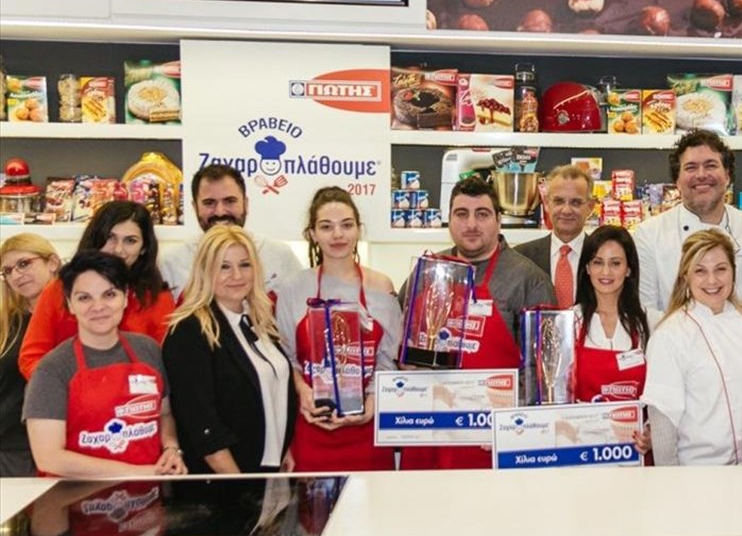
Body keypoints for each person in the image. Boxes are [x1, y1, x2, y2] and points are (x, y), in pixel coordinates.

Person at [398, 175, 555, 470]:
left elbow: (544, 370)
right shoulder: (428, 272)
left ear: (498, 220)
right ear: (449, 220)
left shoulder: (528, 279)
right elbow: (399, 344)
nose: (471, 224)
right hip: (430, 430)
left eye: (482, 214)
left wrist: (512, 415)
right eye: (461, 214)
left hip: (493, 434)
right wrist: (406, 363)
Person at [22, 251, 186, 477]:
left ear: (125, 297)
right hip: (75, 494)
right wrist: (138, 472)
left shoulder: (148, 350)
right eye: (84, 298)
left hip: (148, 491)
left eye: (109, 295)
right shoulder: (52, 369)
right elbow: (49, 458)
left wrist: (170, 447)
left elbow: (164, 414)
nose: (98, 307)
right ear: (70, 304)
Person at [274, 187, 400, 472]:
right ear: (312, 234)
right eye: (326, 227)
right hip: (312, 427)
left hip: (368, 433)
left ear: (358, 230)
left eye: (346, 225)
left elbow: (387, 361)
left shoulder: (381, 286)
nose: (338, 235)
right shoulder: (294, 288)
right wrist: (302, 391)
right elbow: (287, 359)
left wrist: (372, 403)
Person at [163, 225, 298, 474]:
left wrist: (284, 447)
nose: (237, 275)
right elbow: (202, 423)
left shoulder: (260, 321)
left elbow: (274, 390)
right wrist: (237, 482)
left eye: (245, 265)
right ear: (205, 271)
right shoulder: (189, 330)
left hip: (267, 469)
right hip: (224, 480)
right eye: (224, 267)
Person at [641, 230, 742, 466]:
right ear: (686, 277)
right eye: (700, 271)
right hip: (694, 474)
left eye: (721, 269)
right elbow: (663, 422)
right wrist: (669, 483)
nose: (712, 280)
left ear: (733, 272)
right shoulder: (670, 335)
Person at [634, 130, 742, 342]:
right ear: (677, 181)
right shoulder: (649, 234)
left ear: (728, 176)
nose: (701, 175)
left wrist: (731, 350)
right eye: (690, 167)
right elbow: (647, 314)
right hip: (676, 355)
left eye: (711, 165)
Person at [19, 201, 174, 379]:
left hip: (135, 393)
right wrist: (64, 387)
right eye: (110, 237)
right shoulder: (59, 289)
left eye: (130, 241)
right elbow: (32, 356)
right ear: (95, 237)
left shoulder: (157, 297)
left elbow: (164, 363)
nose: (118, 249)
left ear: (144, 248)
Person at [160, 164, 302, 300]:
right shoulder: (172, 263)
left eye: (230, 201)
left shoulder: (280, 256)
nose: (220, 212)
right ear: (194, 207)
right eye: (209, 203)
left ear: (246, 204)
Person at [571, 226, 660, 405]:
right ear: (587, 268)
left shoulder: (652, 322)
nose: (606, 272)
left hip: (634, 422)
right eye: (598, 262)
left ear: (629, 269)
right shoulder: (569, 322)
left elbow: (660, 391)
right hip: (581, 423)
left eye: (615, 263)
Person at [1, 234, 61, 476]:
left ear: (52, 263)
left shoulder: (77, 316)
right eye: (7, 271)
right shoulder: (8, 324)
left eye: (24, 264)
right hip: (10, 448)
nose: (16, 275)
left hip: (64, 443)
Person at [515, 164, 595, 307]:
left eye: (576, 202)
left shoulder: (601, 257)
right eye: (558, 201)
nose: (566, 210)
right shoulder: (521, 257)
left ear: (590, 206)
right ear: (546, 203)